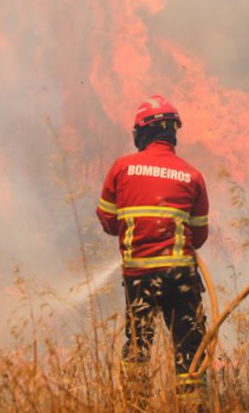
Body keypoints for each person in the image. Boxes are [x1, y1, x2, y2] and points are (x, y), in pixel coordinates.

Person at [96, 94, 209, 406]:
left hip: (139, 276)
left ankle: (135, 405)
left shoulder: (122, 168)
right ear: (173, 133)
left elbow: (107, 221)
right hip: (181, 276)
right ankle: (193, 406)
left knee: (138, 347)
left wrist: (136, 230)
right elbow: (199, 236)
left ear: (141, 133)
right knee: (190, 348)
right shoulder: (192, 175)